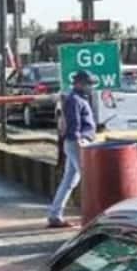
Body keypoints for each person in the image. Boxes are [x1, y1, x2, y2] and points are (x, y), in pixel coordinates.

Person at [48, 70, 97, 228]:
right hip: (77, 142)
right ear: (79, 84)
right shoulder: (75, 100)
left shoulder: (76, 99)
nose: (90, 87)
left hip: (74, 142)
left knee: (69, 180)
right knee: (89, 178)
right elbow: (74, 124)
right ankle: (93, 214)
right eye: (88, 84)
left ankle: (55, 214)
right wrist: (79, 141)